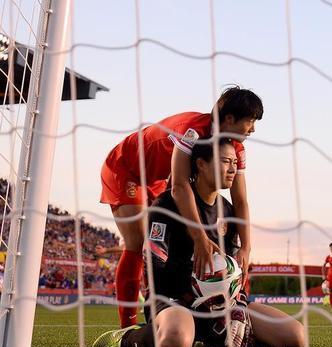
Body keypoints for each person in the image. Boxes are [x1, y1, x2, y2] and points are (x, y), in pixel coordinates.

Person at [92, 140, 303, 347]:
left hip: (221, 306)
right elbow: (155, 271)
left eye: (234, 162)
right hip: (174, 302)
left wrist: (238, 304)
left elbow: (232, 271)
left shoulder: (228, 212)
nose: (233, 169)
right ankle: (127, 336)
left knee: (295, 335)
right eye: (225, 161)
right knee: (176, 341)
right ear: (201, 164)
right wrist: (195, 294)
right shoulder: (166, 205)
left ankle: (217, 335)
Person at [100, 86, 263, 327]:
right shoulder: (193, 131)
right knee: (138, 244)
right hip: (127, 169)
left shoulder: (234, 147)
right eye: (250, 121)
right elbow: (179, 186)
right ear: (229, 119)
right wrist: (199, 236)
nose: (253, 129)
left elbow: (240, 200)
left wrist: (247, 248)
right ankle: (127, 327)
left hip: (157, 179)